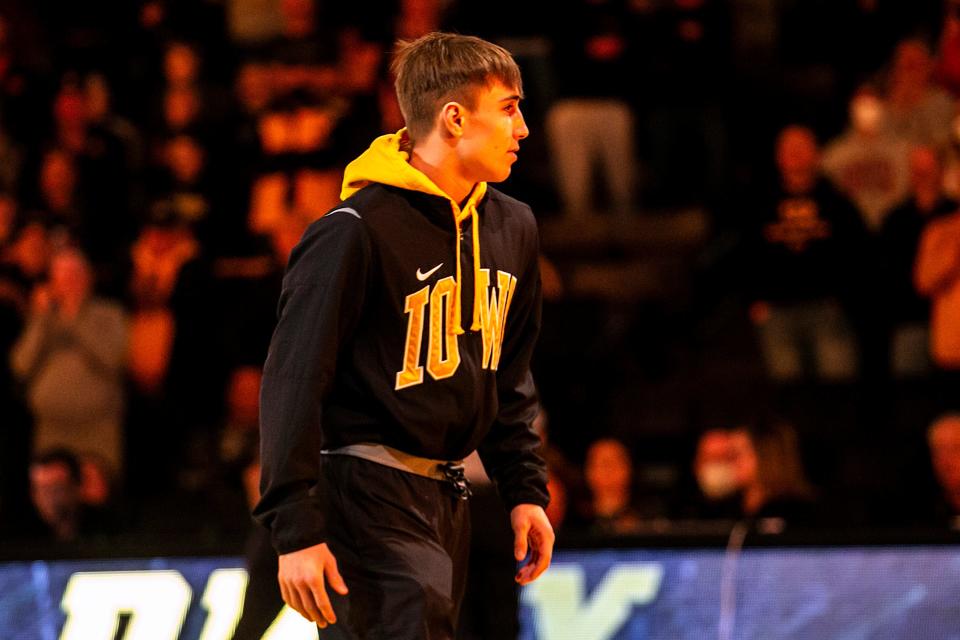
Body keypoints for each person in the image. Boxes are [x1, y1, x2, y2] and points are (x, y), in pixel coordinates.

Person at [253, 32, 553, 638]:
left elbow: (507, 375)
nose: (523, 128)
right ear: (454, 118)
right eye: (509, 107)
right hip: (363, 493)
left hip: (450, 497)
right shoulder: (352, 231)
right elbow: (292, 382)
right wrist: (296, 528)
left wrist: (524, 489)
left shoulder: (513, 226)